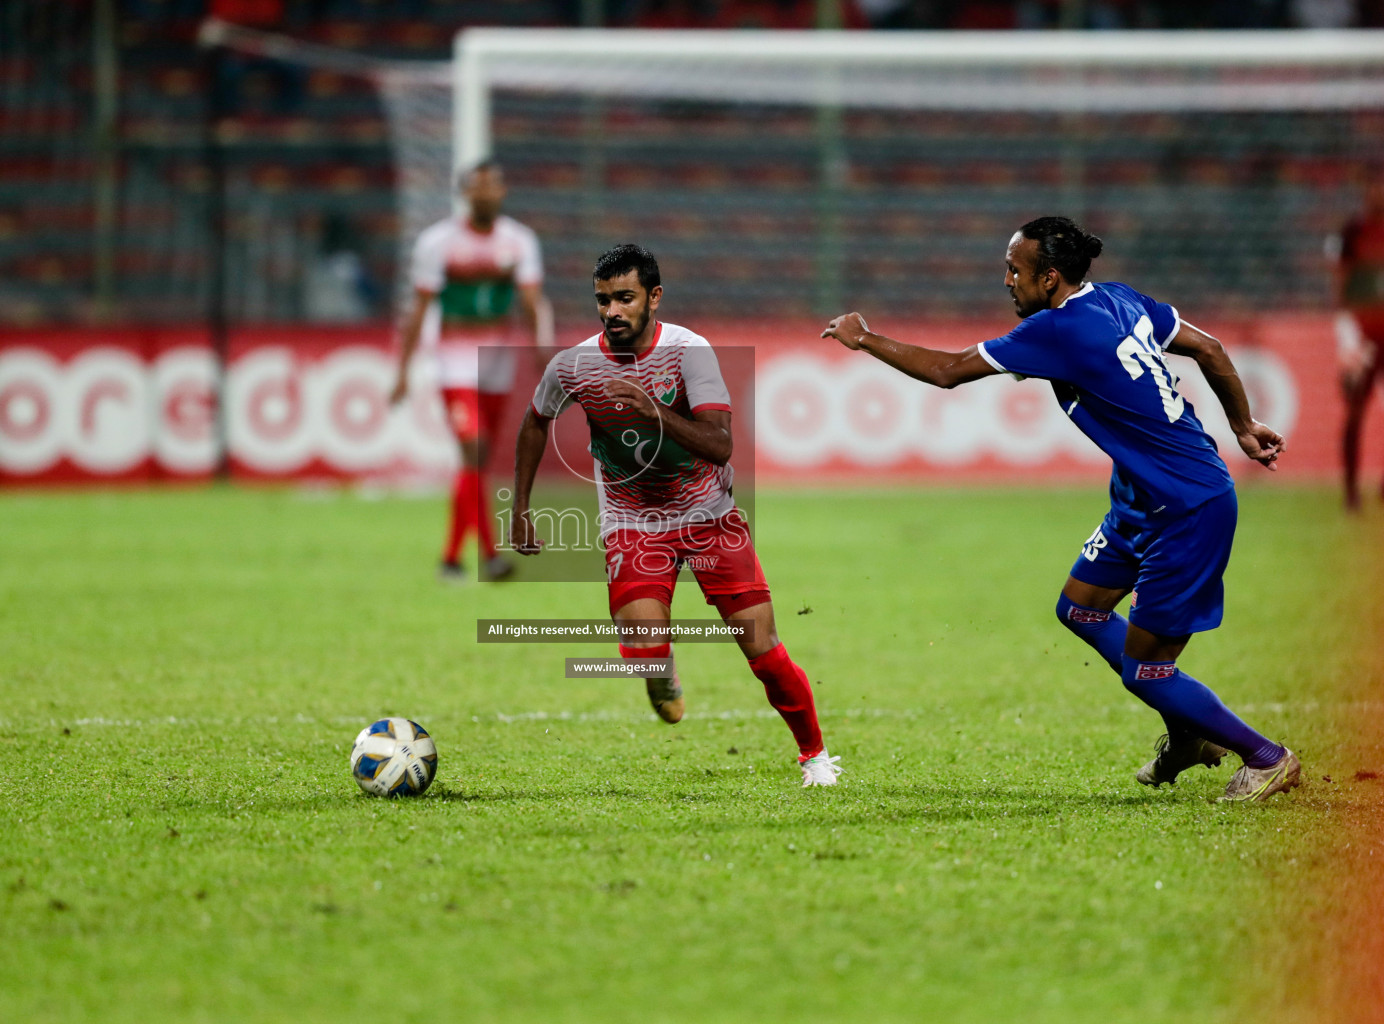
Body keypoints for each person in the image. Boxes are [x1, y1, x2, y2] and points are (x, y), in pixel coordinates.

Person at [821, 216, 1300, 803]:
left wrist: (863, 337)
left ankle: (1265, 756)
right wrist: (1242, 426)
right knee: (1079, 608)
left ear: (1049, 278)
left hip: (1187, 503)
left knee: (1147, 669)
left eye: (1015, 270)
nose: (1006, 281)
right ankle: (1188, 737)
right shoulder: (1121, 300)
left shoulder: (1058, 330)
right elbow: (1209, 347)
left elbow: (946, 372)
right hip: (1141, 497)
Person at [509, 244, 841, 787]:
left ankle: (815, 757)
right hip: (632, 521)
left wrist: (655, 411)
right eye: (602, 300)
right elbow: (534, 421)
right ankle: (657, 668)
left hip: (710, 515)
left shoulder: (690, 353)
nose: (611, 311)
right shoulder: (574, 365)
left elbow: (720, 445)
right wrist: (520, 509)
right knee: (643, 642)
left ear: (654, 298)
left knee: (762, 648)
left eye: (624, 298)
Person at [391, 159, 554, 582]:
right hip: (452, 363)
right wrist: (403, 370)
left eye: (492, 186)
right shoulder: (437, 243)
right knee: (474, 449)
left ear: (502, 192)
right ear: (465, 194)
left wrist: (541, 352)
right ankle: (472, 556)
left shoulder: (520, 241)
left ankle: (467, 558)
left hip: (498, 362)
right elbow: (418, 309)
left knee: (477, 464)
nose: (485, 194)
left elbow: (533, 301)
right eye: (477, 187)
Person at [1329, 176, 1384, 511]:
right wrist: (1346, 336)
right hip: (1364, 336)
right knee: (1355, 410)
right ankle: (1351, 490)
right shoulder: (1353, 232)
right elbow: (1341, 283)